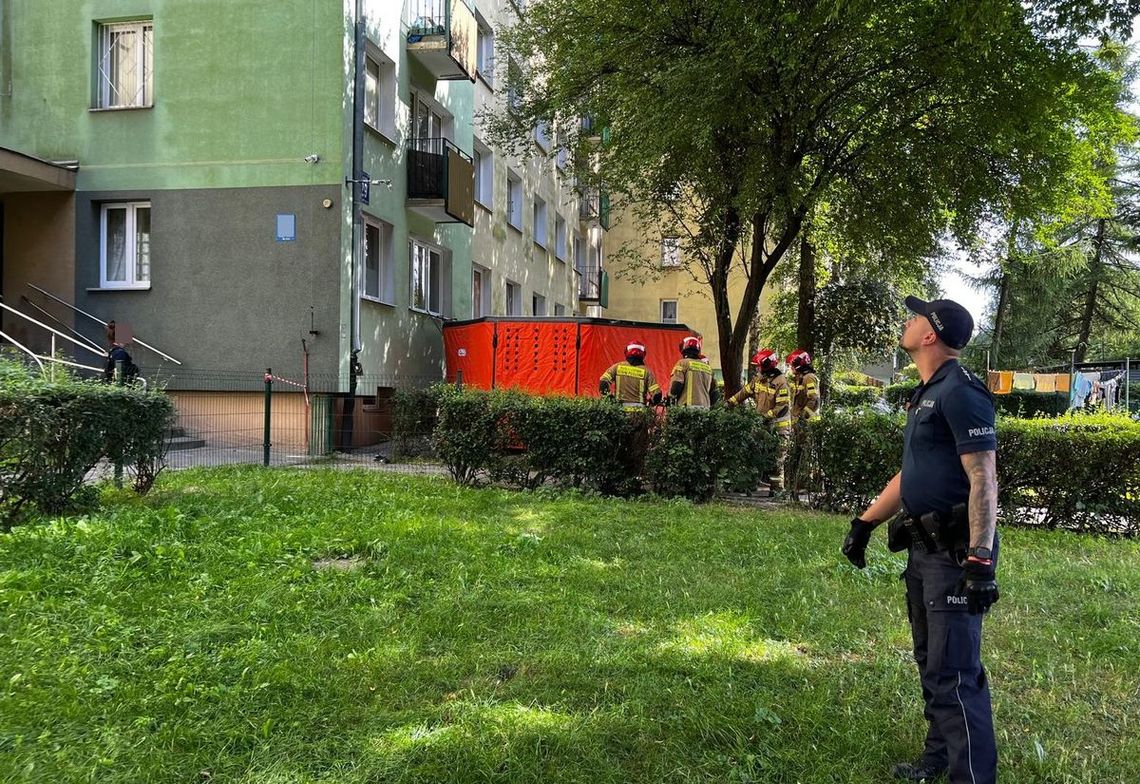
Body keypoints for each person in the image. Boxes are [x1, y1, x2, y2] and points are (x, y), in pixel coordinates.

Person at [841, 297, 1000, 784]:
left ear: (931, 334)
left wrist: (980, 560)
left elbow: (984, 478)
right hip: (923, 550)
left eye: (915, 317)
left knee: (955, 672)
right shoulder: (925, 393)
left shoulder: (961, 392)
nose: (906, 322)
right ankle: (938, 757)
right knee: (932, 662)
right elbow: (911, 475)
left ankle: (970, 777)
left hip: (955, 556)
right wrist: (865, 523)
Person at [728, 348, 791, 490]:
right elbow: (744, 392)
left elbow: (782, 407)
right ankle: (751, 484)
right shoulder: (758, 380)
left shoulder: (781, 382)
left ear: (767, 366)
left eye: (759, 366)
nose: (757, 369)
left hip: (778, 426)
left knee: (777, 459)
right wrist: (730, 403)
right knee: (754, 453)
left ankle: (777, 490)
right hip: (762, 424)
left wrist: (766, 417)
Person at [599, 341, 662, 407]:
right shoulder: (647, 372)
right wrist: (650, 404)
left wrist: (610, 399)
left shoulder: (617, 367)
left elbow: (603, 382)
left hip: (619, 411)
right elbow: (657, 395)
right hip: (639, 412)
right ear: (643, 354)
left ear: (626, 352)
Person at [669, 336, 718, 408]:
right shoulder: (708, 368)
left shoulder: (683, 363)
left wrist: (670, 399)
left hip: (687, 408)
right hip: (705, 409)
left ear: (684, 349)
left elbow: (676, 386)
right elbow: (715, 394)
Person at [786, 349, 820, 422]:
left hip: (806, 422)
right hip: (797, 419)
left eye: (792, 365)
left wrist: (803, 417)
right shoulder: (800, 378)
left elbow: (813, 399)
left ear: (798, 366)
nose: (791, 368)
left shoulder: (809, 378)